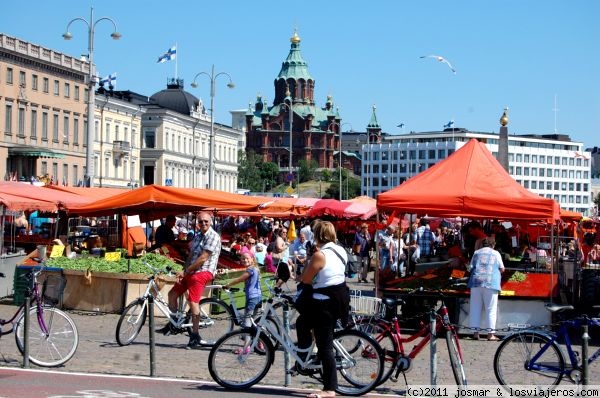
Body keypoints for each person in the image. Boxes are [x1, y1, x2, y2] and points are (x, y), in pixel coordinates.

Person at [295, 221, 349, 398]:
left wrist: (309, 260)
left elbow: (305, 279)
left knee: (324, 345)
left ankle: (329, 389)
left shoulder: (320, 256)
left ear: (317, 235)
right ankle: (308, 358)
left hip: (323, 304)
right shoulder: (340, 250)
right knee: (302, 322)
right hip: (339, 300)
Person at [156, 211, 222, 349]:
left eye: (206, 221)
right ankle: (173, 324)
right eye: (200, 221)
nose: (203, 223)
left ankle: (195, 335)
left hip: (204, 271)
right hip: (191, 270)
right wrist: (183, 270)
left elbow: (203, 258)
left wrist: (187, 270)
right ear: (197, 223)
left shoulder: (213, 236)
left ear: (210, 222)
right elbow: (191, 254)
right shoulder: (198, 235)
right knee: (172, 294)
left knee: (193, 302)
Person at [467, 237, 505, 341]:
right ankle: (490, 334)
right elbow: (502, 268)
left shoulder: (476, 253)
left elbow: (470, 267)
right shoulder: (496, 253)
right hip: (490, 283)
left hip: (476, 283)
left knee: (475, 307)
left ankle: (475, 333)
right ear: (493, 244)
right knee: (491, 309)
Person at [223, 251, 262, 351]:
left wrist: (228, 284)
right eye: (243, 259)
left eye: (247, 258)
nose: (245, 260)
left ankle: (246, 348)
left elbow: (240, 279)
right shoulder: (256, 269)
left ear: (252, 259)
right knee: (255, 322)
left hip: (252, 299)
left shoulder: (250, 269)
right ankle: (260, 342)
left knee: (247, 323)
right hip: (258, 298)